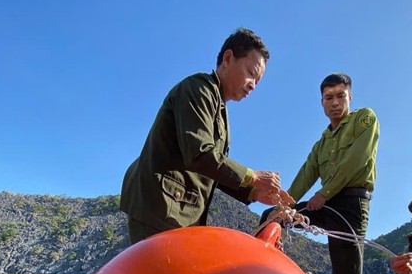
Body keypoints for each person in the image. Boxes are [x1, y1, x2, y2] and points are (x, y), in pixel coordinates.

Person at [120, 28, 293, 244]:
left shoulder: (219, 106)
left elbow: (211, 170)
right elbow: (199, 154)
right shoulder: (198, 89)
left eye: (258, 81)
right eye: (250, 73)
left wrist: (253, 193)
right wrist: (253, 176)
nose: (253, 85)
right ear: (228, 58)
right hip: (159, 205)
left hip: (177, 210)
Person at [262, 73, 379, 274]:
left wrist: (325, 193)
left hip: (351, 202)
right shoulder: (322, 142)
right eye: (329, 98)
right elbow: (305, 174)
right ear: (322, 102)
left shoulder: (364, 120)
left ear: (350, 98)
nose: (335, 103)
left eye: (341, 96)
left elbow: (356, 159)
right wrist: (284, 206)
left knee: (346, 271)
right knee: (270, 219)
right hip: (323, 201)